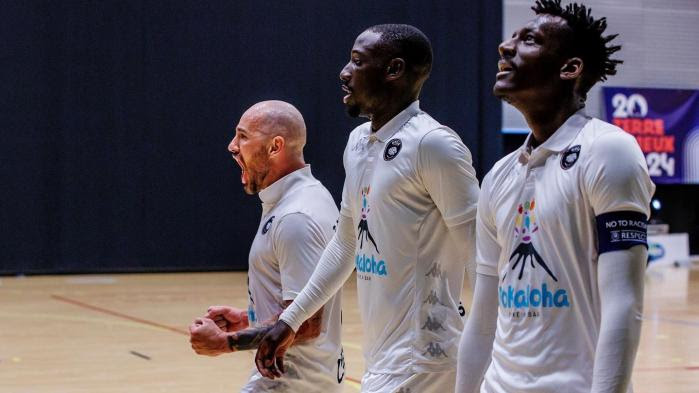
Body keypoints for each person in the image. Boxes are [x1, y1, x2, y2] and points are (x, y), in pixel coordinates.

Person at [255, 24, 480, 392]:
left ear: (393, 70)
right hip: (382, 360)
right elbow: (345, 245)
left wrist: (494, 347)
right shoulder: (359, 142)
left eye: (357, 62)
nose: (345, 73)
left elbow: (481, 255)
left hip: (426, 360)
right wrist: (292, 318)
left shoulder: (433, 145)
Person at [456, 1, 655, 392]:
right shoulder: (498, 175)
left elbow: (623, 306)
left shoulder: (610, 151)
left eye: (528, 40)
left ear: (570, 68)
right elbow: (482, 320)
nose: (505, 47)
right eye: (512, 37)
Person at [188, 100, 344, 393]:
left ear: (275, 146)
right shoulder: (304, 197)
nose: (232, 146)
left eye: (243, 136)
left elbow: (308, 321)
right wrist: (251, 317)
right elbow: (300, 302)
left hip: (294, 383)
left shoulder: (296, 217)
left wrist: (226, 343)